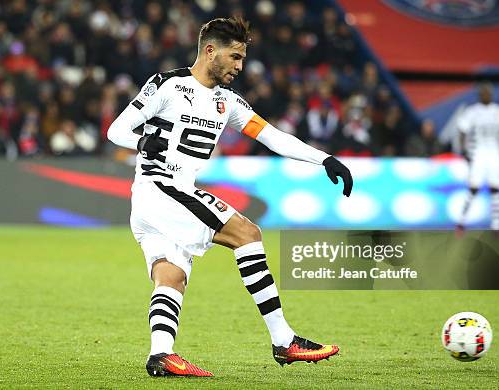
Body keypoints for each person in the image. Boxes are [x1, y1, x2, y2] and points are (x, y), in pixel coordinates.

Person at [107, 17, 353, 377]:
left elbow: (272, 137)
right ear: (210, 51)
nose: (240, 66)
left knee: (171, 276)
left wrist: (325, 159)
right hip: (161, 188)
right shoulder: (168, 85)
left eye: (242, 58)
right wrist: (142, 141)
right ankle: (284, 340)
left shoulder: (228, 102)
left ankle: (161, 354)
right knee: (247, 233)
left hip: (158, 200)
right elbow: (116, 131)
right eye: (235, 57)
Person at [456, 83, 499, 233]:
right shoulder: (472, 111)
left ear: (491, 94)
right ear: (479, 94)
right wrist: (463, 149)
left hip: (495, 153)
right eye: (482, 92)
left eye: (487, 92)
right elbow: (462, 131)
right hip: (478, 153)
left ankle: (496, 225)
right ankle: (462, 221)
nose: (485, 95)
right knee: (473, 188)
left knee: (495, 187)